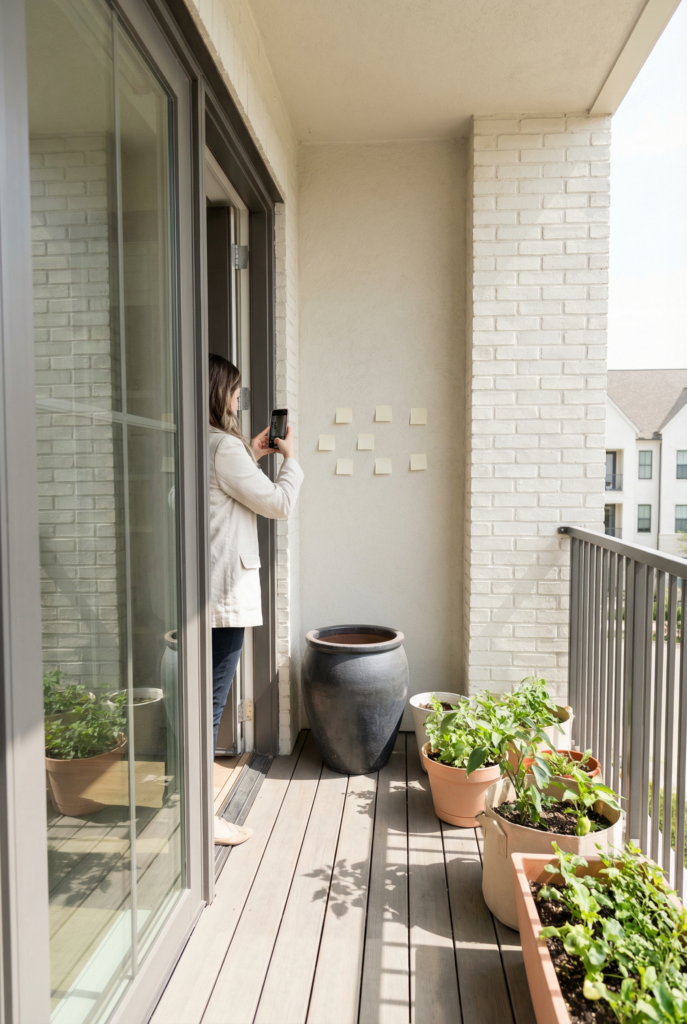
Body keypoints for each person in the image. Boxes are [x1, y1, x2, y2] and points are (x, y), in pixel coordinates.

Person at [208, 354, 303, 845]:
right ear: (219, 393)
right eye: (236, 391)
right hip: (223, 596)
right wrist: (291, 461)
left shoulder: (206, 444)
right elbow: (278, 505)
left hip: (202, 592)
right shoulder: (224, 449)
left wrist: (250, 453)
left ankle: (190, 807)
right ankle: (203, 822)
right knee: (212, 702)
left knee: (201, 699)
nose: (240, 399)